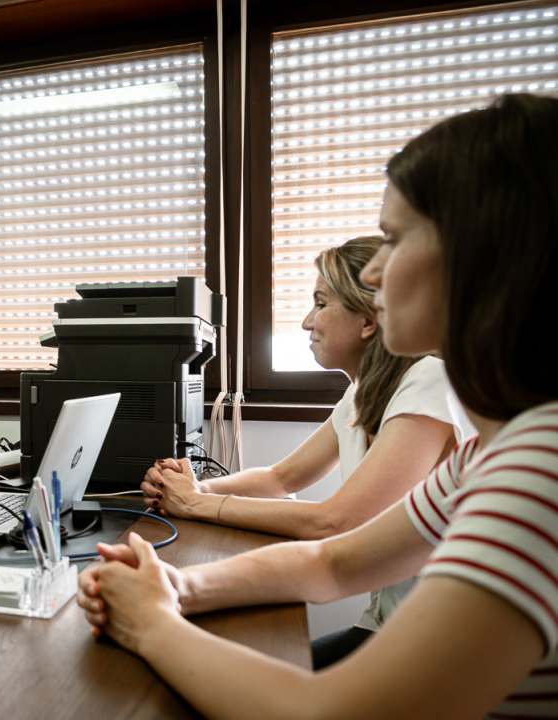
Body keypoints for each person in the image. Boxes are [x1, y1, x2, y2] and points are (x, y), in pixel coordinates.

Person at [77, 93, 558, 719]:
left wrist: (151, 623)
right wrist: (177, 585)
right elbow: (332, 563)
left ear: (487, 256)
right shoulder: (494, 452)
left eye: (395, 239)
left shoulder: (540, 470)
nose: (377, 272)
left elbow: (329, 712)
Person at [142, 237, 470, 667]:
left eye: (320, 303)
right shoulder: (361, 393)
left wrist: (198, 503)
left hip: (442, 644)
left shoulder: (428, 380)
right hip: (391, 624)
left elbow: (336, 521)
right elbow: (282, 478)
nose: (305, 321)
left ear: (368, 321)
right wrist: (190, 485)